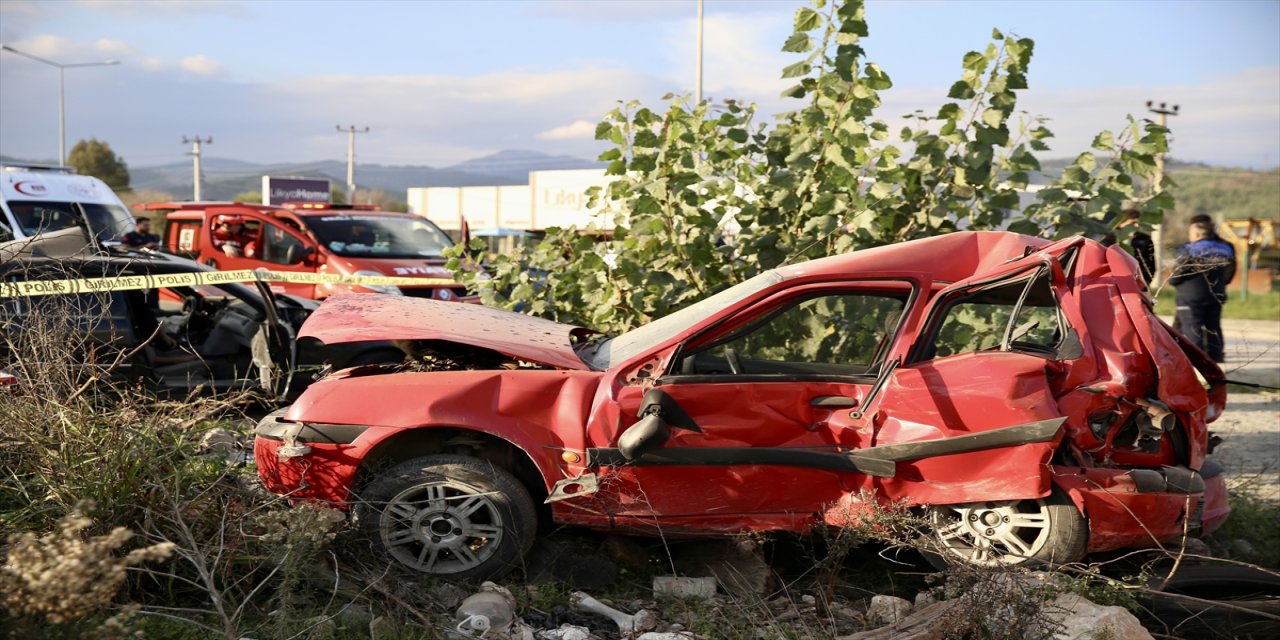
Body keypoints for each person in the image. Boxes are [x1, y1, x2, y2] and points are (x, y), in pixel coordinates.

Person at [1169, 216, 1236, 363]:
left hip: (1190, 297)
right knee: (1213, 327)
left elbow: (1177, 275)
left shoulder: (1189, 250)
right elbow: (1230, 273)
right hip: (1216, 294)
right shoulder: (1226, 248)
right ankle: (1216, 359)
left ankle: (1197, 362)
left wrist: (1172, 281)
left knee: (1193, 328)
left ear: (1197, 234)